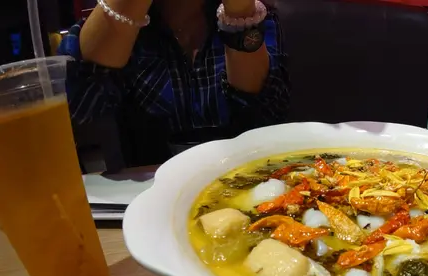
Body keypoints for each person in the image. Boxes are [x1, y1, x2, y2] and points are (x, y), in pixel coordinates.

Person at [58, 0, 290, 161]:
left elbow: (266, 116)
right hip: (147, 196)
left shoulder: (259, 17)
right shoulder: (118, 22)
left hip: (247, 184)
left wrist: (240, 12)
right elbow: (80, 109)